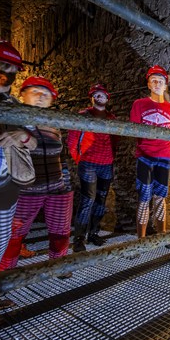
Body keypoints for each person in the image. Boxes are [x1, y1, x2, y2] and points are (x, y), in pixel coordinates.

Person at [0, 39, 36, 327]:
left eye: (12, 70)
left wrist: (22, 137)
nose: (6, 75)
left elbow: (32, 140)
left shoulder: (11, 104)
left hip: (4, 181)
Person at [0, 76, 73, 271]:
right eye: (35, 92)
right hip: (25, 191)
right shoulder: (13, 121)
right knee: (14, 234)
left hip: (57, 188)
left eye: (45, 94)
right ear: (22, 95)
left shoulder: (54, 125)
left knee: (60, 233)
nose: (40, 97)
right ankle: (5, 274)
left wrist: (66, 181)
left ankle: (57, 266)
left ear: (52, 99)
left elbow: (61, 155)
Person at [130, 65, 170, 246]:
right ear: (149, 85)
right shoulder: (139, 104)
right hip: (145, 155)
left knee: (160, 196)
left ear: (165, 85)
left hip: (165, 156)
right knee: (144, 196)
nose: (157, 83)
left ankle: (162, 235)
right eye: (154, 81)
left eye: (161, 81)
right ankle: (141, 240)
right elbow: (134, 129)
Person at [67, 83, 118, 252]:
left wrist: (112, 157)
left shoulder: (112, 118)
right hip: (88, 163)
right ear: (92, 98)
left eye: (102, 94)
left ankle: (94, 233)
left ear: (107, 98)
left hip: (106, 163)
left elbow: (115, 140)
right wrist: (79, 159)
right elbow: (72, 140)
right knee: (87, 199)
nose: (99, 97)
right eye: (96, 94)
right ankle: (79, 239)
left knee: (101, 199)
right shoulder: (83, 115)